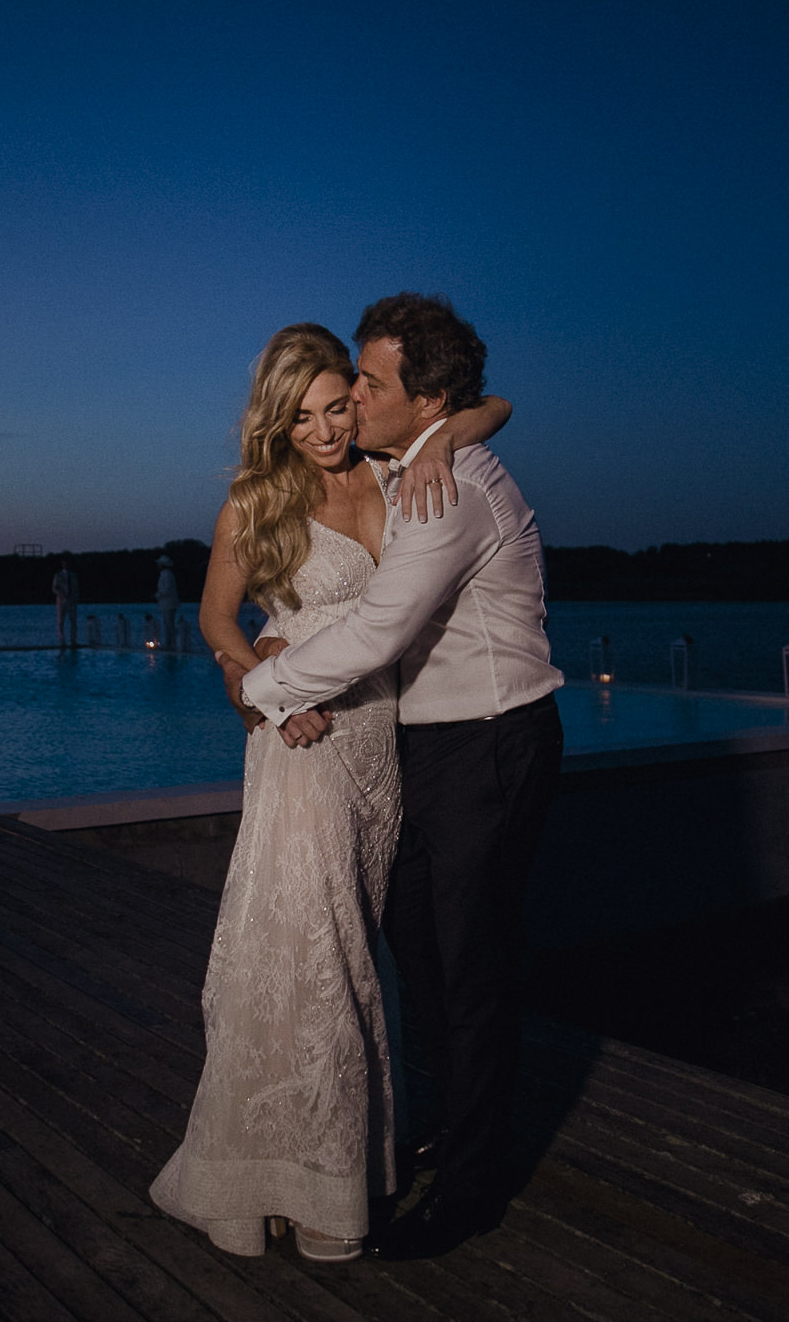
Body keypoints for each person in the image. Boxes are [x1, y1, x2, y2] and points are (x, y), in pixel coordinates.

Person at [149, 322, 511, 1262]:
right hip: (302, 743)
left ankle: (323, 1161)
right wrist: (257, 685)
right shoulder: (258, 496)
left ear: (361, 398)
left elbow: (490, 406)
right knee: (309, 952)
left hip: (380, 747)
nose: (322, 430)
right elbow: (215, 619)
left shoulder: (398, 477)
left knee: (357, 952)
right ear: (277, 420)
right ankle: (298, 1192)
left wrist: (449, 435)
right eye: (300, 415)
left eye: (337, 406)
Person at [238, 293, 563, 1261]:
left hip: (492, 743)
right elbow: (488, 404)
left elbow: (378, 630)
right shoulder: (405, 458)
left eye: (368, 385)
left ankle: (469, 1190)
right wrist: (467, 414)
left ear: (422, 398)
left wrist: (258, 686)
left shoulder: (446, 487)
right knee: (417, 952)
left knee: (472, 970)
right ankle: (447, 1122)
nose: (352, 397)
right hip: (429, 749)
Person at [50, 557, 80, 646]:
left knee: (73, 621)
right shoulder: (58, 575)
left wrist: (75, 597)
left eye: (68, 564)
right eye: (65, 564)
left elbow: (76, 588)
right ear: (62, 565)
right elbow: (54, 588)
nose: (66, 565)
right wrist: (61, 595)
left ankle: (73, 640)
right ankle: (62, 640)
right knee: (60, 621)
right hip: (61, 601)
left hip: (71, 601)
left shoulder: (74, 576)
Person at [155, 553, 181, 648]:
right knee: (167, 624)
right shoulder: (166, 574)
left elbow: (167, 589)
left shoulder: (167, 575)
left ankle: (171, 644)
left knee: (169, 624)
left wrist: (158, 595)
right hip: (167, 603)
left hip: (168, 604)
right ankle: (170, 643)